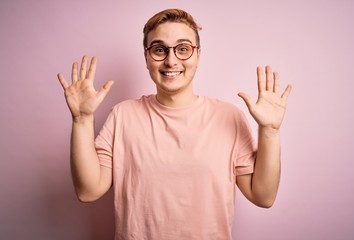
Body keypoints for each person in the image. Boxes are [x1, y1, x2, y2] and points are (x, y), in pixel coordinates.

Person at [57, 8, 291, 240]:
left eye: (183, 49)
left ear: (198, 55)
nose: (171, 61)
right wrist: (82, 120)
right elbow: (88, 191)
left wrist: (270, 131)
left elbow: (263, 196)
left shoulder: (229, 117)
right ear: (147, 58)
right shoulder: (122, 116)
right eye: (159, 50)